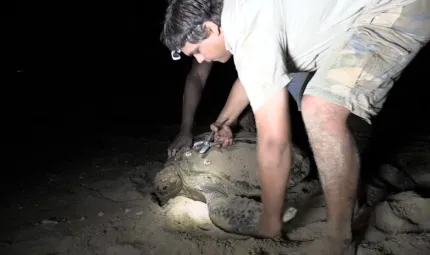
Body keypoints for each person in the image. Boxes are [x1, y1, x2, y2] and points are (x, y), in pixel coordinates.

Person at [161, 0, 429, 254]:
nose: (199, 60)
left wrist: (269, 220)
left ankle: (339, 239)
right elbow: (252, 77)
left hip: (392, 9)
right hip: (359, 20)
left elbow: (274, 143)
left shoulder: (248, 30)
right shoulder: (242, 16)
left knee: (320, 109)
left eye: (196, 51)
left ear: (209, 28)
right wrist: (224, 121)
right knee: (321, 104)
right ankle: (350, 196)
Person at [167, 58, 311, 157]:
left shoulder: (243, 27)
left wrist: (228, 120)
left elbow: (254, 75)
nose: (199, 57)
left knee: (313, 107)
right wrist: (185, 130)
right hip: (256, 71)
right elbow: (196, 77)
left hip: (298, 58)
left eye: (198, 49)